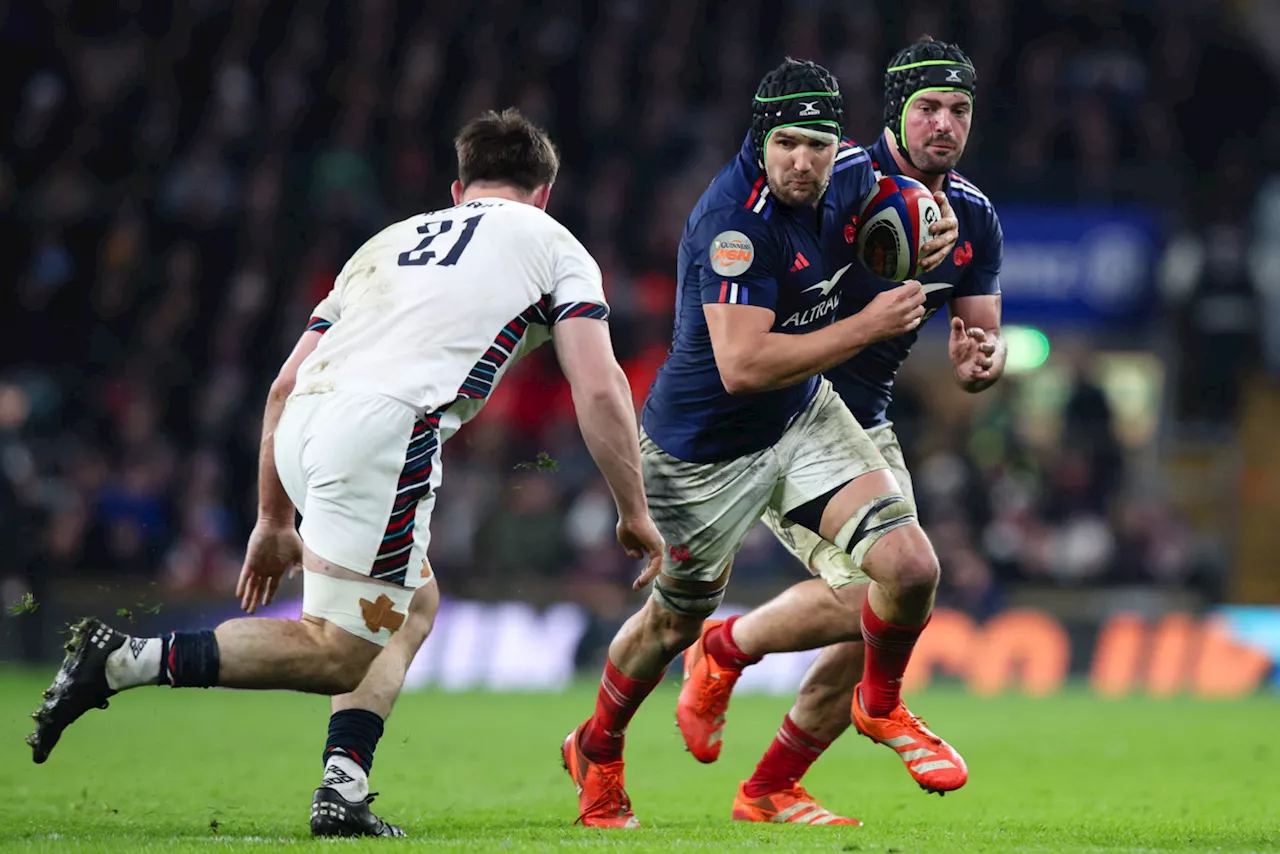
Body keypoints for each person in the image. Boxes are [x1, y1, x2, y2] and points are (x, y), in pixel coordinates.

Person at [27, 108, 664, 839]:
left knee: (414, 601)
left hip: (304, 425)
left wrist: (272, 519)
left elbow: (280, 385)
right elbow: (600, 386)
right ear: (544, 193)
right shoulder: (555, 244)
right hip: (385, 434)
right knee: (334, 652)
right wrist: (633, 510)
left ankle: (343, 786)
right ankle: (125, 660)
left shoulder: (387, 243)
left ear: (458, 190)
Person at [562, 57, 963, 829]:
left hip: (803, 415)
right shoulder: (733, 224)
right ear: (760, 139)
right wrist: (870, 325)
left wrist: (928, 220)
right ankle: (599, 748)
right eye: (787, 146)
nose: (803, 163)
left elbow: (904, 193)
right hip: (701, 454)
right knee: (671, 623)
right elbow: (742, 367)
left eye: (817, 145)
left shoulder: (849, 172)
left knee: (909, 571)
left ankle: (879, 708)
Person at [676, 37, 1007, 826]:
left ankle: (769, 790)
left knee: (887, 614)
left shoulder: (977, 217)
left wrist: (980, 359)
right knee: (887, 587)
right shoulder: (835, 179)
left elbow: (980, 346)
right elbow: (750, 282)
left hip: (871, 421)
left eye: (959, 110)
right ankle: (729, 648)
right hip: (786, 415)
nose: (944, 125)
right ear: (894, 112)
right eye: (927, 107)